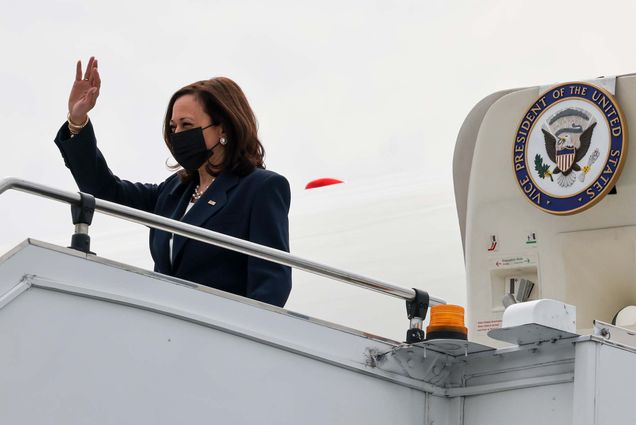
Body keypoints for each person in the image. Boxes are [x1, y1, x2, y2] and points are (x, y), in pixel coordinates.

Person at [54, 57, 292, 307]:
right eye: (173, 126)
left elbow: (271, 286)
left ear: (223, 129)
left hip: (219, 334)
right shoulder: (173, 192)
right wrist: (77, 121)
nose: (177, 134)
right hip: (167, 331)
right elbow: (104, 190)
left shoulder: (261, 188)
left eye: (187, 125)